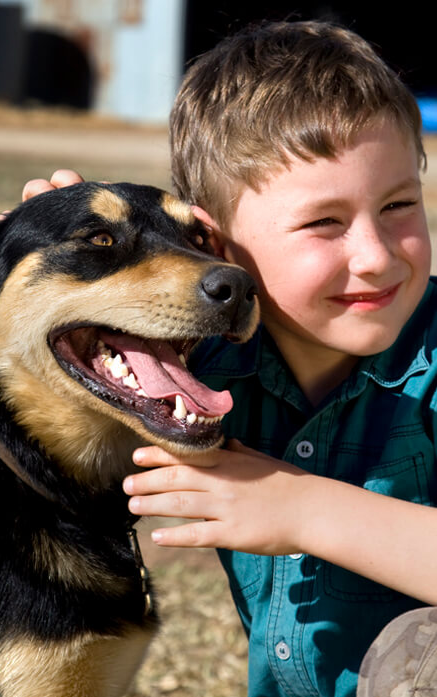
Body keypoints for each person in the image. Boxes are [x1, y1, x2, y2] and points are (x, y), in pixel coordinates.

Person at [23, 20, 437, 697]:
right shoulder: (193, 374)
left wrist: (300, 508)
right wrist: (65, 259)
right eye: (323, 223)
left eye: (397, 205)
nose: (377, 255)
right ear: (213, 245)